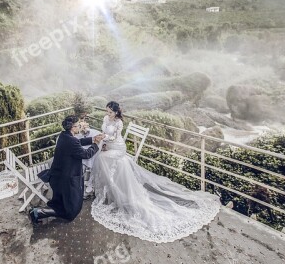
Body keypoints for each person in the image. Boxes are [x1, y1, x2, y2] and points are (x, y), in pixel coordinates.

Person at [90, 101, 221, 243]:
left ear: (116, 112)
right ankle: (110, 190)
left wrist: (103, 139)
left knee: (102, 158)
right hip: (108, 145)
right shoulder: (105, 119)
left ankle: (116, 190)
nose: (107, 114)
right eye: (107, 111)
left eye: (110, 112)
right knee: (100, 156)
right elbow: (104, 131)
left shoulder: (119, 123)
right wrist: (103, 142)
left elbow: (114, 138)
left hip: (117, 147)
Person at [29, 115, 105, 224]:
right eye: (78, 125)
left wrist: (93, 139)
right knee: (71, 211)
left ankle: (40, 212)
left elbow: (78, 143)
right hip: (66, 179)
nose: (80, 126)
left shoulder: (63, 136)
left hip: (58, 175)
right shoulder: (72, 141)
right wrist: (96, 144)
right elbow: (87, 154)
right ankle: (38, 212)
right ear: (73, 128)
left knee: (64, 203)